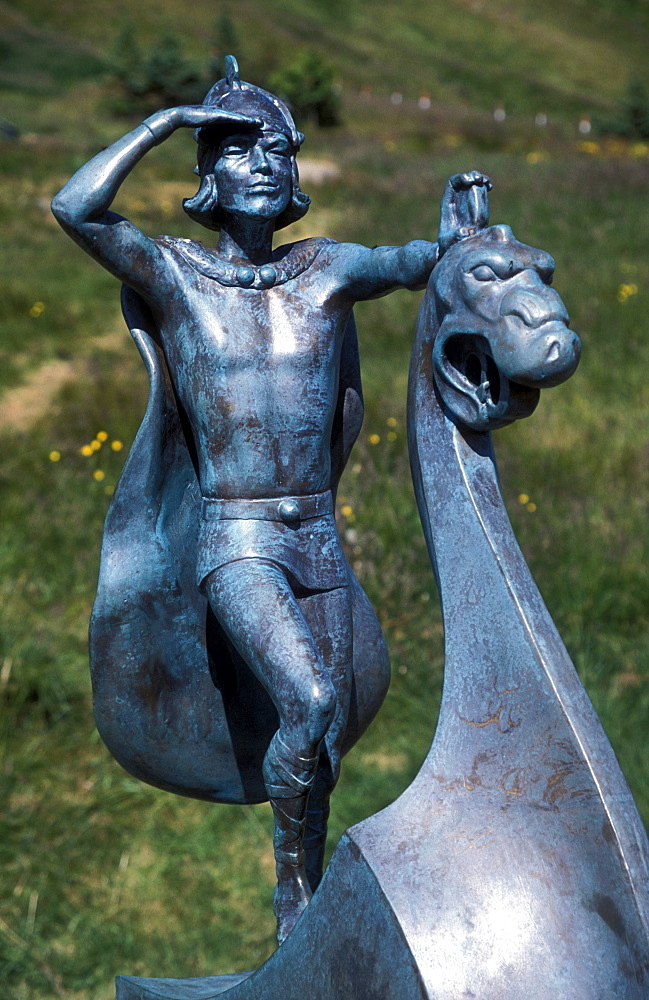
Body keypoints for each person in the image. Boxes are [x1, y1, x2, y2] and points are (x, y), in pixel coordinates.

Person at [52, 56, 490, 944]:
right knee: (314, 702)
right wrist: (166, 122)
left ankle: (309, 889)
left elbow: (412, 264)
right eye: (236, 150)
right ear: (206, 179)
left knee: (322, 738)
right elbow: (75, 208)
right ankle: (295, 897)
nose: (262, 164)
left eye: (279, 152)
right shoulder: (173, 275)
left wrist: (453, 245)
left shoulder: (325, 270)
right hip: (237, 537)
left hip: (318, 536)